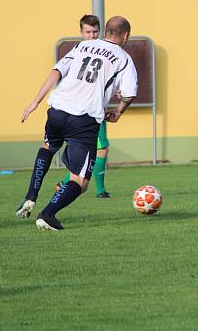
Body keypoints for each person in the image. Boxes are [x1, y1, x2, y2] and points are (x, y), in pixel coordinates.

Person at [16, 16, 138, 230]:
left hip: (57, 111)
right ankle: (47, 214)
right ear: (125, 35)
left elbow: (56, 72)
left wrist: (34, 103)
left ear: (105, 30)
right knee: (80, 181)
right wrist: (118, 111)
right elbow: (129, 93)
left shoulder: (83, 46)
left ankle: (30, 195)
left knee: (48, 147)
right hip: (83, 120)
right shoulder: (124, 58)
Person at [55, 15, 114, 198]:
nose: (92, 35)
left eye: (95, 31)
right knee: (100, 147)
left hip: (93, 108)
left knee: (97, 148)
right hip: (82, 111)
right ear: (81, 32)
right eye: (88, 32)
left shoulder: (103, 53)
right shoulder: (78, 52)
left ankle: (66, 183)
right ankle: (97, 190)